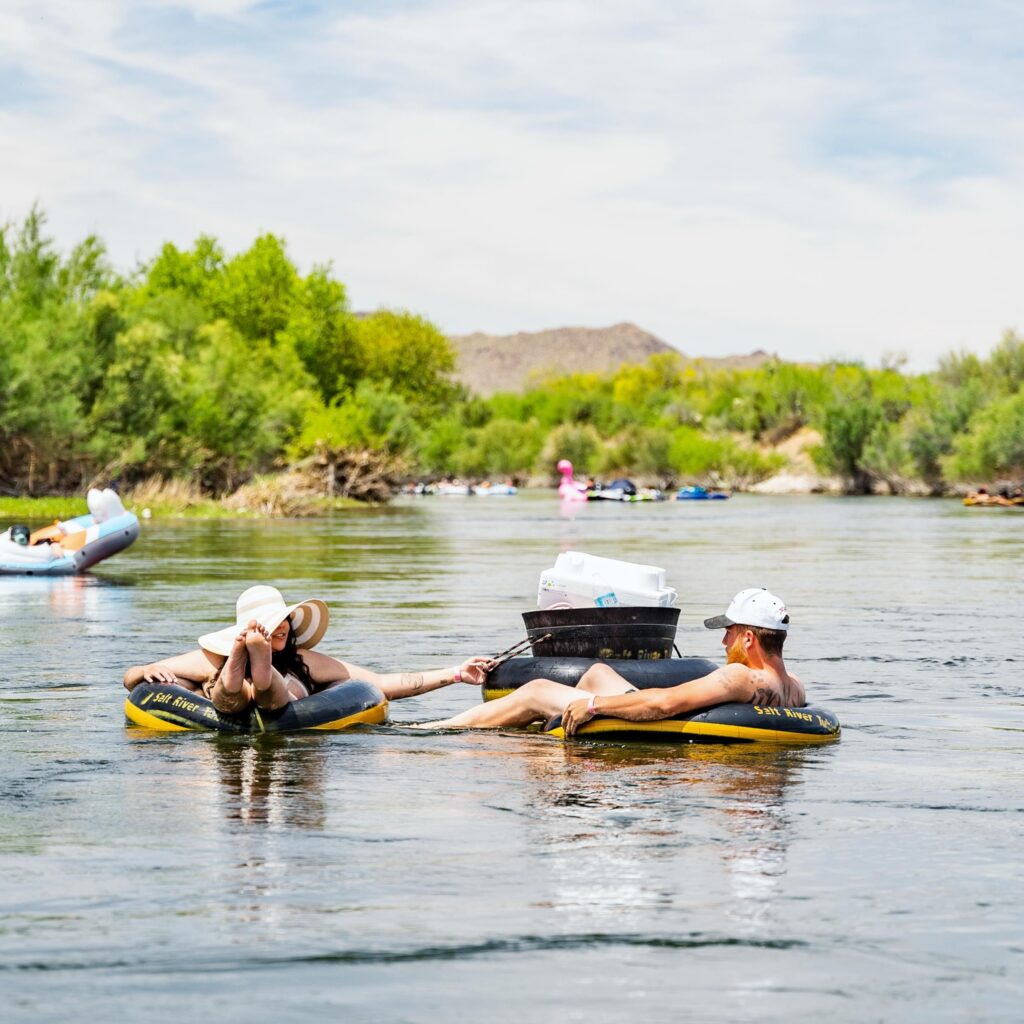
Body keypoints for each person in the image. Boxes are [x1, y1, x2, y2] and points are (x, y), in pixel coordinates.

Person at [420, 588, 804, 734]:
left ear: (749, 638)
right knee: (599, 672)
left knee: (537, 690)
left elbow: (664, 703)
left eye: (730, 632)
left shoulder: (741, 677)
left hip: (651, 738)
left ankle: (434, 731)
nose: (723, 640)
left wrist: (593, 705)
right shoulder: (794, 687)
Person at [123, 585, 491, 713]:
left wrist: (455, 673)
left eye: (282, 619)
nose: (281, 626)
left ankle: (260, 666)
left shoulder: (307, 662)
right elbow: (130, 677)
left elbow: (382, 683)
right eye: (270, 623)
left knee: (273, 691)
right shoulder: (211, 656)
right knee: (231, 695)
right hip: (227, 700)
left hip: (280, 698)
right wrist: (143, 672)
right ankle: (247, 663)